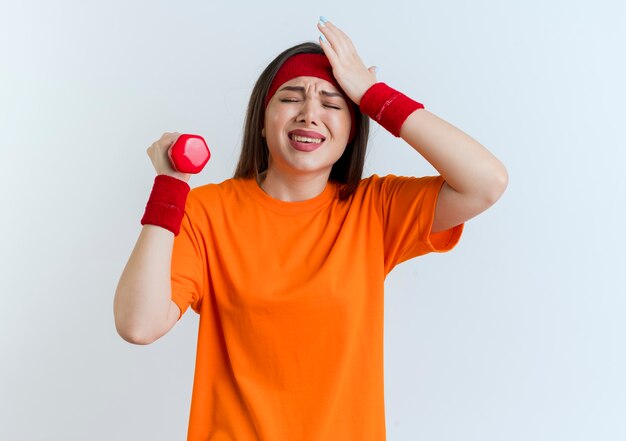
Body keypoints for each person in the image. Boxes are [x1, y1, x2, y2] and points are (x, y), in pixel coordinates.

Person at [114, 17, 508, 441]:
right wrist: (171, 189)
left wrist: (375, 96)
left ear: (353, 128)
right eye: (291, 98)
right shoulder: (206, 211)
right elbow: (139, 324)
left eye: (333, 104)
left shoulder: (374, 209)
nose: (310, 114)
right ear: (262, 120)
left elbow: (486, 181)